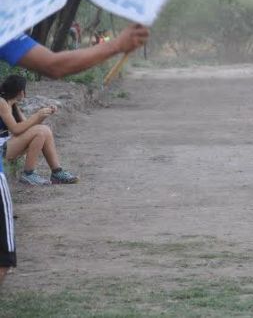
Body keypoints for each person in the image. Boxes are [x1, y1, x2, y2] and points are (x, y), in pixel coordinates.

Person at [0, 23, 149, 285]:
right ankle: (32, 173)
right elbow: (54, 65)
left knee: (43, 130)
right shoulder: (5, 27)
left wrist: (41, 116)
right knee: (2, 262)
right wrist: (117, 44)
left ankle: (55, 171)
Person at [0, 75, 76, 185]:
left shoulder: (13, 105)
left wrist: (43, 115)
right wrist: (37, 116)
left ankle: (57, 172)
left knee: (44, 130)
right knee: (40, 131)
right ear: (20, 91)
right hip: (2, 148)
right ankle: (28, 174)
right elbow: (15, 129)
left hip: (6, 144)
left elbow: (28, 127)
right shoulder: (2, 102)